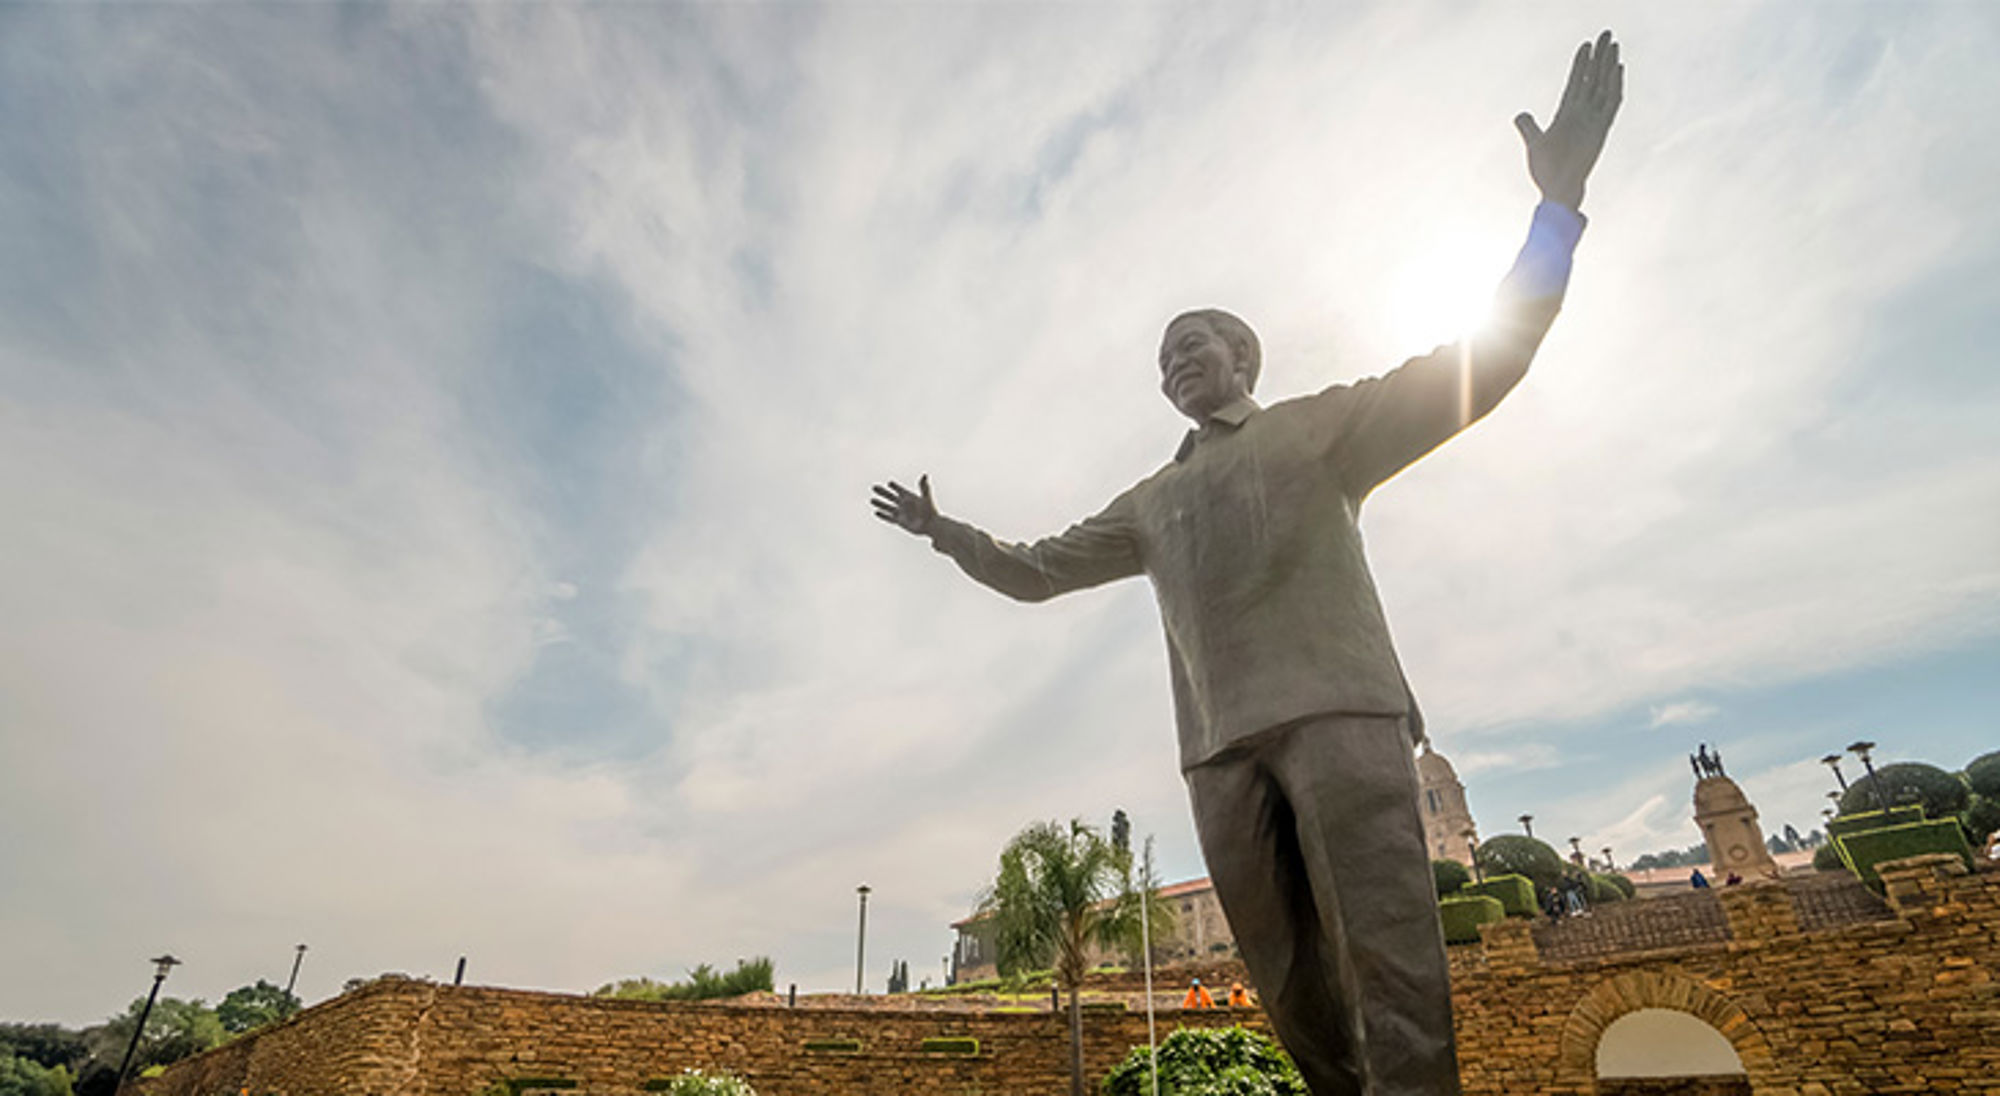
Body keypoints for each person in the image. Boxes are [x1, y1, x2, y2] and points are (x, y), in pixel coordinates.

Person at [873, 32, 1622, 1096]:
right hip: (1218, 750)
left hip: (1337, 712)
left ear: (1242, 356)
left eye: (1193, 343)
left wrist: (1556, 206)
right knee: (1289, 987)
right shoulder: (1150, 502)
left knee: (1390, 963)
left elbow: (1485, 359)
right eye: (1162, 358)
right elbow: (1036, 571)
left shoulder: (1320, 428)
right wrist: (947, 532)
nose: (1175, 362)